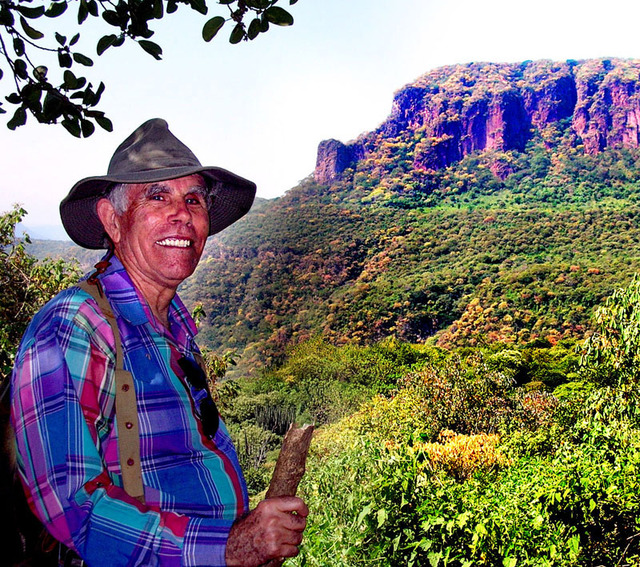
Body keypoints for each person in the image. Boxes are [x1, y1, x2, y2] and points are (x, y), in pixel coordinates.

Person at [10, 118, 308, 566]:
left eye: (193, 199)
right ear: (113, 220)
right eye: (157, 196)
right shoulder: (76, 324)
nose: (182, 214)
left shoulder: (175, 326)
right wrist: (229, 548)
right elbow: (71, 504)